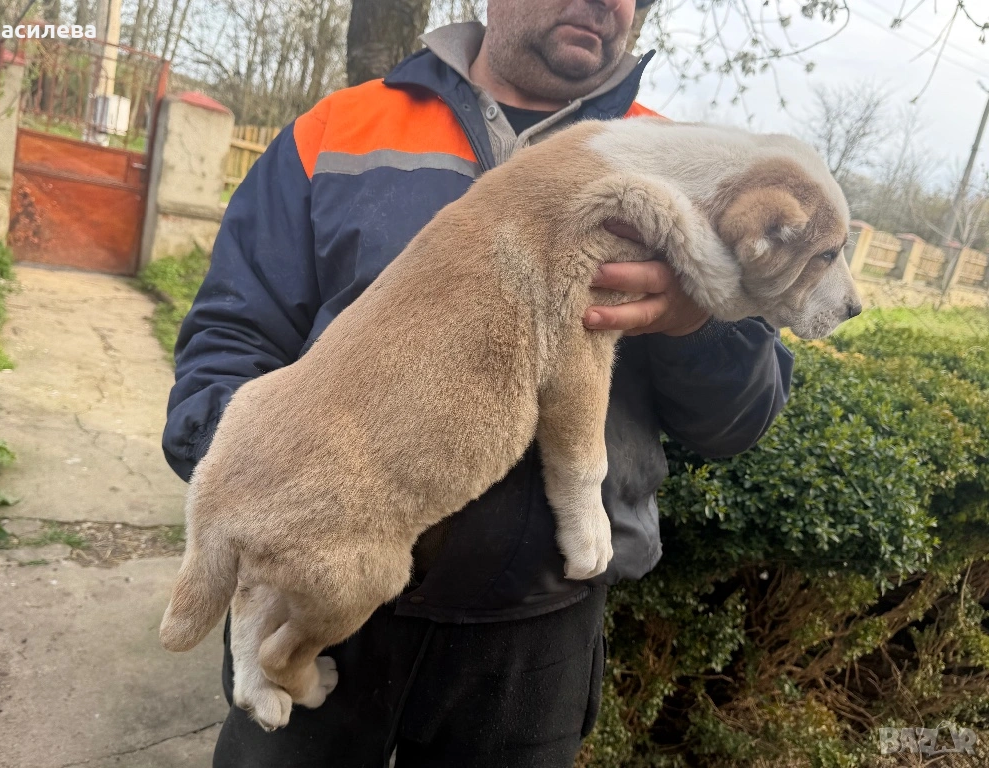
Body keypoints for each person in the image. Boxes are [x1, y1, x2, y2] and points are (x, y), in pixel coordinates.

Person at [162, 0, 795, 765]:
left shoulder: (680, 163)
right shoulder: (340, 128)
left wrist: (703, 317)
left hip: (538, 636)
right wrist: (255, 491)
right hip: (323, 591)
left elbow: (741, 419)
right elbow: (232, 332)